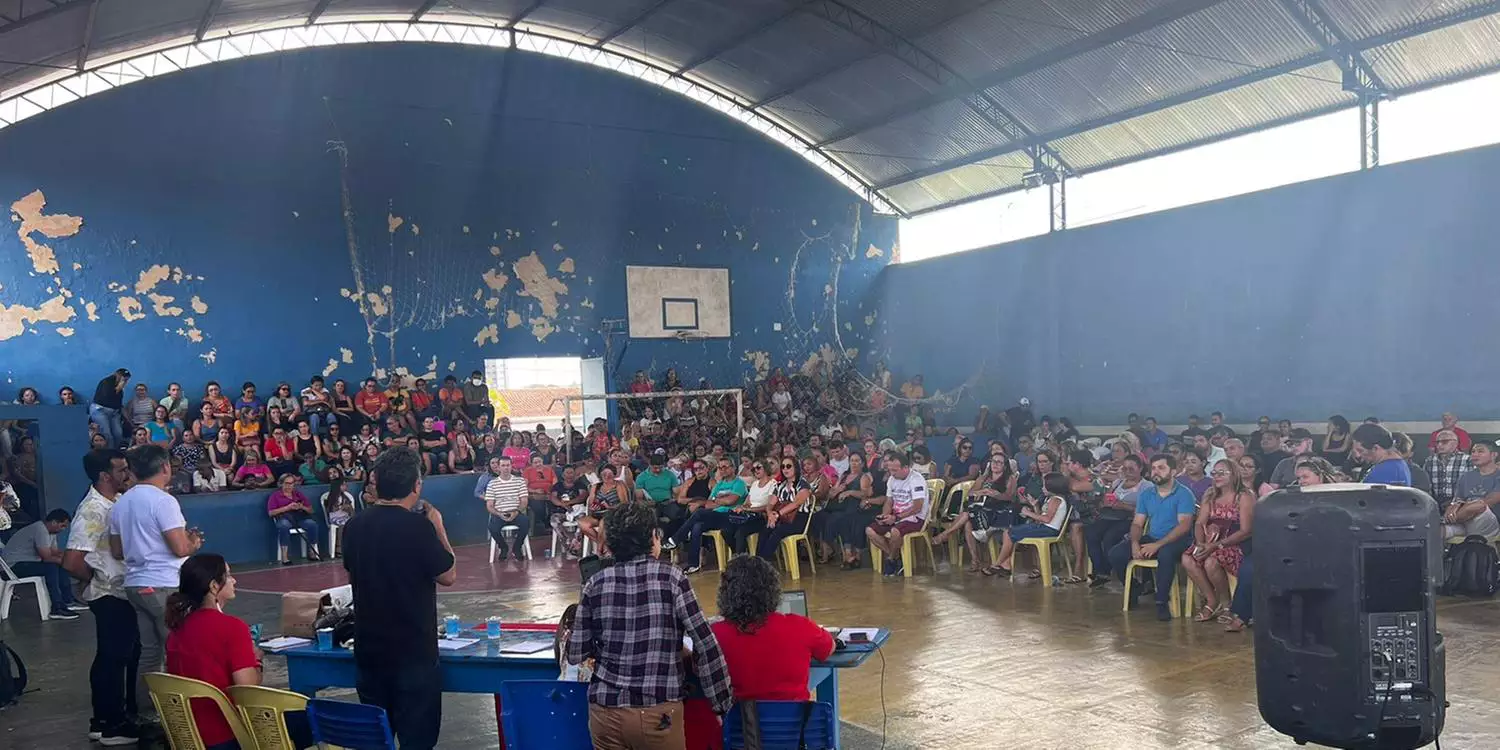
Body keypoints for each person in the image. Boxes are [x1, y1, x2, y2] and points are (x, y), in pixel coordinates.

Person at [566, 501, 732, 750]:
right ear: (653, 537)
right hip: (658, 713)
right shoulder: (673, 578)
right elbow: (706, 644)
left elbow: (576, 652)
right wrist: (720, 703)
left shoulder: (595, 583)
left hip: (606, 711)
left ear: (610, 544)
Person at [343, 447, 456, 750]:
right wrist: (439, 525)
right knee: (416, 740)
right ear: (416, 485)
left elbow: (352, 576)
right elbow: (448, 574)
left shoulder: (353, 527)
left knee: (376, 737)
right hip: (413, 653)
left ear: (376, 480)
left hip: (369, 651)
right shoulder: (419, 527)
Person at [108, 444, 204, 726]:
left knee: (150, 653)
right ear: (164, 467)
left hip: (135, 584)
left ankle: (148, 715)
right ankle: (186, 714)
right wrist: (194, 542)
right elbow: (179, 548)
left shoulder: (121, 502)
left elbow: (116, 551)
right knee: (180, 647)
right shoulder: (163, 501)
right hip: (162, 584)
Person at [63, 449, 140, 745]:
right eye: (121, 470)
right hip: (109, 593)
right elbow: (73, 560)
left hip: (121, 591)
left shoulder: (117, 501)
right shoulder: (92, 510)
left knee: (117, 655)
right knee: (114, 658)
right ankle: (111, 724)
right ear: (104, 476)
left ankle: (104, 719)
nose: (127, 475)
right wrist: (97, 578)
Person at [163, 554, 262, 750]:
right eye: (229, 575)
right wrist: (257, 662)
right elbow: (247, 690)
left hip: (187, 734)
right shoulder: (233, 628)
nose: (234, 580)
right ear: (214, 586)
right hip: (228, 732)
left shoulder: (176, 630)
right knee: (308, 719)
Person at [711, 554, 834, 703]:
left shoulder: (715, 635)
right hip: (796, 724)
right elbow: (829, 648)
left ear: (725, 594)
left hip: (742, 724)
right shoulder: (800, 626)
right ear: (773, 591)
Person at [1108, 454, 1196, 621]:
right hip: (1153, 537)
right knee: (1116, 553)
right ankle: (1134, 588)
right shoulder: (1147, 494)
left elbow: (1184, 526)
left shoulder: (1184, 494)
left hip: (1179, 540)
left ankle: (1162, 601)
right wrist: (1134, 543)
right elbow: (1137, 523)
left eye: (1161, 468)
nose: (1156, 472)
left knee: (1165, 554)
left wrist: (1158, 545)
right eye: (1154, 468)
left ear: (1173, 471)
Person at [1180, 459, 1255, 623]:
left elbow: (1246, 531)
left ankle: (1227, 603)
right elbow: (1200, 523)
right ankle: (1211, 599)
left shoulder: (1244, 496)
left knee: (1211, 562)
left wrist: (1216, 545)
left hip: (1235, 543)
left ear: (1234, 474)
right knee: (1187, 558)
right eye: (1214, 473)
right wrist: (1200, 543)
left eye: (1222, 473)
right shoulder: (1210, 494)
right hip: (1210, 541)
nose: (1216, 476)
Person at [932, 451, 1016, 573]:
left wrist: (996, 495)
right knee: (968, 521)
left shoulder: (1009, 478)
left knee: (967, 516)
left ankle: (946, 534)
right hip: (981, 509)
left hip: (998, 512)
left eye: (999, 462)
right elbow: (970, 493)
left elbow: (1010, 497)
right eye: (993, 461)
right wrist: (982, 492)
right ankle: (975, 559)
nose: (995, 464)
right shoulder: (983, 478)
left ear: (1005, 466)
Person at [984, 472, 1069, 577]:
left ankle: (997, 564)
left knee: (1009, 532)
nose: (1042, 488)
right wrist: (1035, 506)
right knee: (1008, 532)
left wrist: (1028, 513)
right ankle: (1004, 565)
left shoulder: (1056, 500)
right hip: (1044, 527)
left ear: (1052, 487)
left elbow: (1046, 519)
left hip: (1048, 529)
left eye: (1044, 486)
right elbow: (1041, 518)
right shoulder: (1051, 499)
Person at [668, 459, 747, 574]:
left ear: (733, 468)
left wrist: (717, 500)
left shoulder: (738, 483)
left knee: (699, 513)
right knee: (697, 526)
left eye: (725, 466)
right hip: (716, 515)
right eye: (720, 468)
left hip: (730, 516)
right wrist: (720, 500)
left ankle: (676, 539)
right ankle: (693, 564)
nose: (722, 470)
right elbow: (708, 503)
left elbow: (731, 501)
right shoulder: (720, 484)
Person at [3, 509, 84, 620]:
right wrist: (68, 562)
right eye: (62, 526)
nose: (63, 529)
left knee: (60, 564)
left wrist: (70, 556)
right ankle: (57, 607)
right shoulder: (40, 529)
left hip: (26, 563)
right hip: (13, 566)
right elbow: (47, 557)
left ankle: (68, 600)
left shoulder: (52, 533)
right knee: (51, 566)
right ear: (54, 522)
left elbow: (55, 552)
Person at [1086, 454, 1148, 587]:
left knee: (1110, 537)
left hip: (1130, 518)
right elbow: (1107, 497)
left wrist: (1124, 506)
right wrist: (1106, 501)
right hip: (1111, 515)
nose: (1127, 472)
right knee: (1091, 533)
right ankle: (1100, 570)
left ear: (1140, 468)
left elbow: (1146, 510)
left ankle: (1111, 571)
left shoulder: (1146, 486)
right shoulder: (1118, 482)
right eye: (1125, 469)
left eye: (1131, 469)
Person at [867, 451, 929, 578]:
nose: (891, 473)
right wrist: (885, 516)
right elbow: (889, 501)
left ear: (905, 468)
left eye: (895, 470)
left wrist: (896, 518)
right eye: (890, 470)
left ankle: (891, 560)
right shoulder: (891, 479)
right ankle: (896, 558)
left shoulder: (916, 479)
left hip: (915, 518)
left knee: (895, 531)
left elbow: (917, 507)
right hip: (896, 516)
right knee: (870, 531)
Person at [756, 457, 811, 562]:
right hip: (782, 517)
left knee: (778, 531)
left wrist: (777, 514)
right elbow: (770, 503)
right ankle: (758, 560)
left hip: (799, 518)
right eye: (783, 467)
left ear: (796, 468)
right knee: (765, 530)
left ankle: (763, 562)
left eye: (789, 466)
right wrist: (770, 514)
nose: (785, 469)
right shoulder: (780, 485)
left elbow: (796, 503)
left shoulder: (802, 484)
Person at [1444, 441, 1500, 540]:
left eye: (1480, 451)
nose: (1474, 454)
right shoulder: (1465, 476)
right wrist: (1452, 507)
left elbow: (1489, 502)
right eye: (1473, 451)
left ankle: (1449, 520)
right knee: (1438, 530)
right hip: (1464, 520)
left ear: (1494, 455)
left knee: (1479, 505)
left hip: (1489, 522)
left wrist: (1460, 507)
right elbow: (1456, 501)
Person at [483, 456, 530, 560]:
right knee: (492, 528)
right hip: (499, 513)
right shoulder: (492, 484)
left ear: (511, 466)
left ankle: (517, 548)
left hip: (516, 512)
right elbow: (489, 506)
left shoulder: (520, 481)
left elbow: (524, 501)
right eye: (503, 465)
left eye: (508, 465)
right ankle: (503, 547)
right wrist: (499, 513)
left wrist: (516, 512)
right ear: (498, 468)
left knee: (526, 522)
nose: (506, 468)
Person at [267, 475, 321, 565]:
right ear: (281, 484)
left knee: (312, 524)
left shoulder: (298, 494)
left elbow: (311, 510)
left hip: (300, 517)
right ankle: (285, 556)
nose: (289, 486)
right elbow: (271, 512)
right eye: (287, 483)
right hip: (284, 517)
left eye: (292, 483)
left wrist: (302, 507)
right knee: (284, 526)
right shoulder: (275, 496)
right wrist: (287, 508)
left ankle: (312, 552)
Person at [1424, 429, 1473, 510]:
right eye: (1437, 442)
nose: (1439, 445)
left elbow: (1470, 485)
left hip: (1460, 504)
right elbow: (1426, 484)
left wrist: (1454, 502)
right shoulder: (1429, 461)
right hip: (1434, 503)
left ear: (1455, 443)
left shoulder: (1467, 460)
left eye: (1444, 442)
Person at [91, 368, 130, 447]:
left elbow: (119, 403)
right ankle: (109, 455)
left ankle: (117, 451)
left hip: (114, 412)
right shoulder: (106, 382)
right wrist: (118, 387)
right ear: (119, 376)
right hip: (100, 410)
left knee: (118, 433)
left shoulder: (121, 389)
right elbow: (107, 396)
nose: (126, 382)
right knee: (107, 435)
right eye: (124, 379)